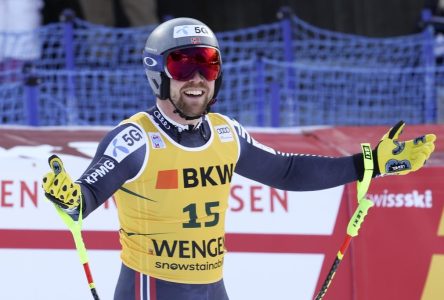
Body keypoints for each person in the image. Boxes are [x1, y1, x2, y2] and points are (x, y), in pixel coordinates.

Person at [41, 17, 436, 300]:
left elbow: (286, 169)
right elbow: (84, 198)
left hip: (213, 287)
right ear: (158, 73)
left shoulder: (226, 133)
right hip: (153, 288)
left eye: (208, 64)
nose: (197, 78)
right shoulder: (136, 138)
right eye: (183, 64)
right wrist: (69, 197)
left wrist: (369, 164)